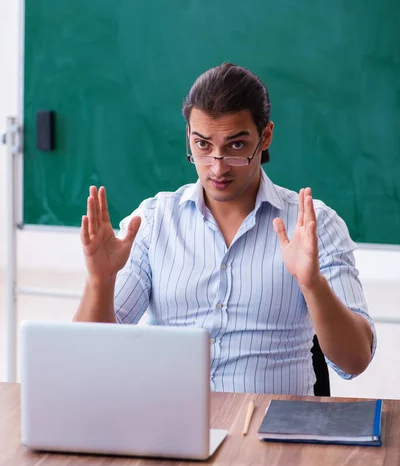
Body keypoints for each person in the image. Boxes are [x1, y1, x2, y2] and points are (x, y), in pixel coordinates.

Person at [74, 63, 376, 395]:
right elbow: (90, 356)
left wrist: (312, 284)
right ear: (189, 136)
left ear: (266, 137)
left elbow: (355, 361)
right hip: (169, 427)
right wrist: (100, 281)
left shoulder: (313, 224)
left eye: (235, 146)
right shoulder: (154, 220)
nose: (217, 167)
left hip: (273, 430)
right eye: (203, 145)